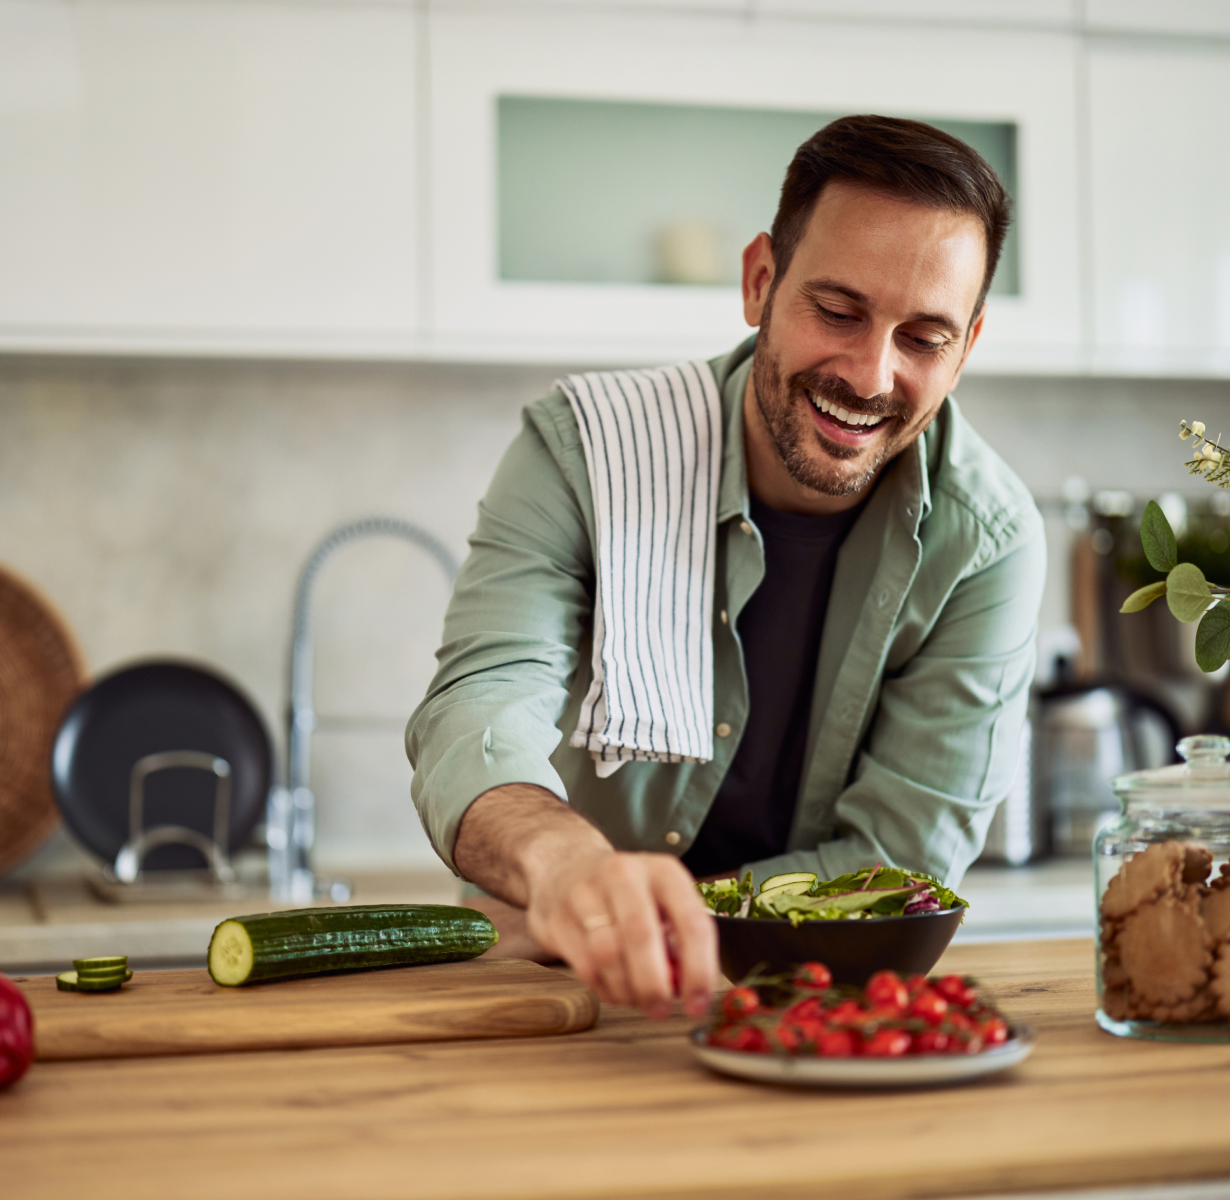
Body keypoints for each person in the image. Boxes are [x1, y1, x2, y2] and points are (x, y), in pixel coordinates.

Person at [406, 115, 1045, 1021]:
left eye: (924, 338)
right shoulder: (583, 452)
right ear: (759, 282)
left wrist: (651, 921)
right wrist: (565, 868)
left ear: (967, 346)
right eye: (838, 312)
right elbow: (476, 712)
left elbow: (898, 864)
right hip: (559, 999)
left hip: (805, 1009)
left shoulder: (988, 541)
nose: (871, 375)